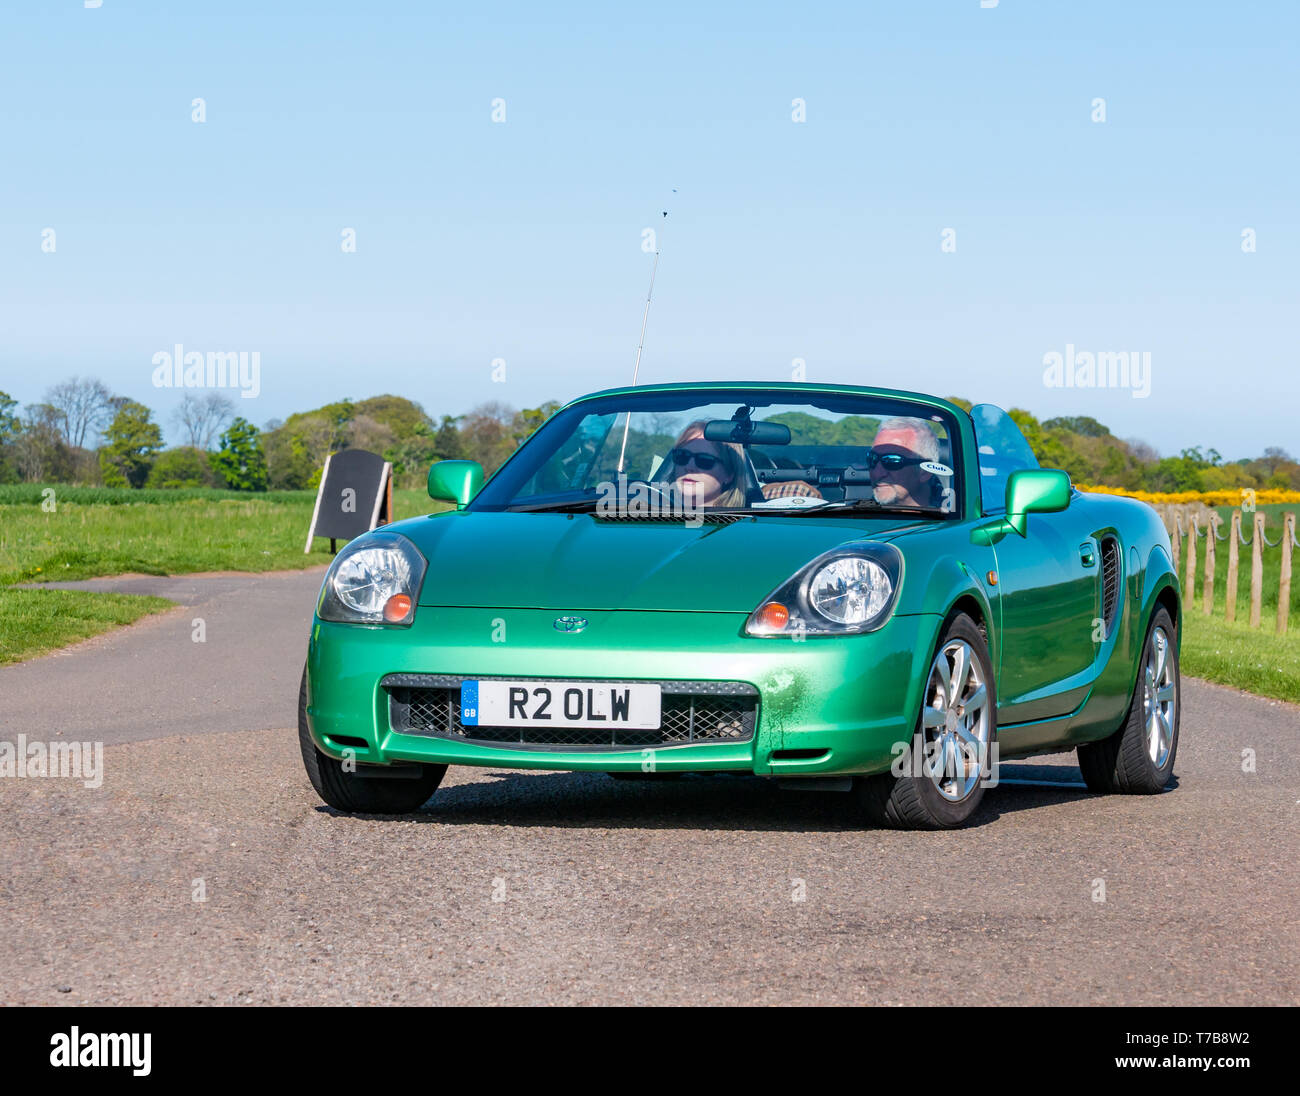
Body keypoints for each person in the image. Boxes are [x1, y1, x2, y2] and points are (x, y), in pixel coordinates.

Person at [664, 421, 748, 508]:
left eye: (704, 460)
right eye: (682, 456)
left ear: (730, 474)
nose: (689, 467)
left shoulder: (746, 521)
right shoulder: (650, 516)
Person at [868, 417, 941, 508]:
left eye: (892, 461)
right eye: (872, 459)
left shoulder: (955, 516)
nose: (877, 473)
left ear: (925, 472)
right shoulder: (854, 517)